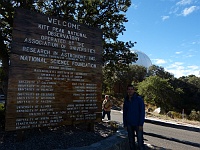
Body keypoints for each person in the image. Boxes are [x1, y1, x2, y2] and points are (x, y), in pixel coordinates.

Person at [123, 84, 145, 150]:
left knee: (140, 142)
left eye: (131, 89)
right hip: (129, 124)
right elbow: (125, 113)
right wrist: (125, 124)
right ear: (127, 91)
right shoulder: (126, 100)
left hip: (138, 124)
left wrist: (141, 124)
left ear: (134, 90)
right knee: (131, 142)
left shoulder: (139, 99)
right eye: (129, 89)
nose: (130, 91)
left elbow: (142, 112)